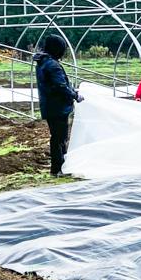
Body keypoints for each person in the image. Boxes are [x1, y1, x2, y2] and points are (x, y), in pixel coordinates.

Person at [33, 34, 83, 176]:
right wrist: (75, 95)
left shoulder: (43, 62)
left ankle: (60, 166)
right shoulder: (52, 65)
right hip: (58, 107)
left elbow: (59, 84)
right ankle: (58, 169)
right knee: (59, 138)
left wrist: (72, 90)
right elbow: (60, 86)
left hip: (50, 106)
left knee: (57, 137)